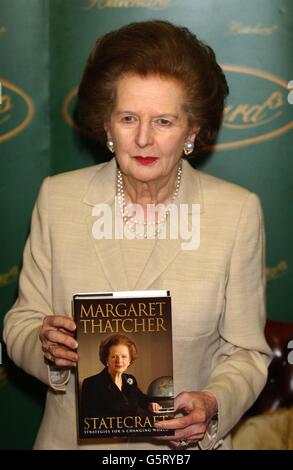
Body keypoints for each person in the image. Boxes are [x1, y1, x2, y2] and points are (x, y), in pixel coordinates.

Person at [3, 20, 271, 450]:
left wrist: (213, 402)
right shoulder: (58, 198)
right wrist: (44, 344)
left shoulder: (236, 213)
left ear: (192, 130)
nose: (144, 139)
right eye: (129, 118)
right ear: (107, 126)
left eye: (164, 121)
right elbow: (21, 320)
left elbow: (248, 354)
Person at [80, 334, 161, 418]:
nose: (119, 361)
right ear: (106, 359)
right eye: (114, 357)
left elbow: (141, 399)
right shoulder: (91, 383)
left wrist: (151, 403)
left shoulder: (130, 380)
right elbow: (89, 418)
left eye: (124, 356)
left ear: (130, 360)